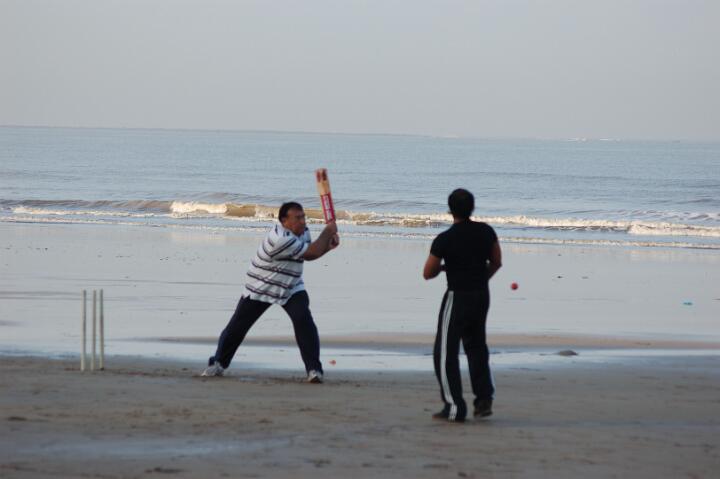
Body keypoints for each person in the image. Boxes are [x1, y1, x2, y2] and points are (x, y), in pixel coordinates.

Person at [202, 201, 339, 383]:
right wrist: (328, 231)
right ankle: (218, 363)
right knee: (238, 326)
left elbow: (310, 254)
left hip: (290, 286)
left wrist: (328, 247)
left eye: (303, 217)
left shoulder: (303, 232)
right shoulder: (280, 239)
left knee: (304, 321)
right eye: (297, 218)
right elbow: (311, 252)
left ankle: (314, 370)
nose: (302, 221)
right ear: (284, 221)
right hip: (262, 285)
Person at [423, 188, 502, 422]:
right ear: (472, 208)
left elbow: (428, 273)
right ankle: (484, 398)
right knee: (476, 346)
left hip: (457, 296)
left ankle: (455, 406)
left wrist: (444, 268)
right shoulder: (486, 231)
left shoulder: (445, 238)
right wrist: (481, 278)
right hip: (481, 295)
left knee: (445, 352)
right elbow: (496, 261)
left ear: (450, 210)